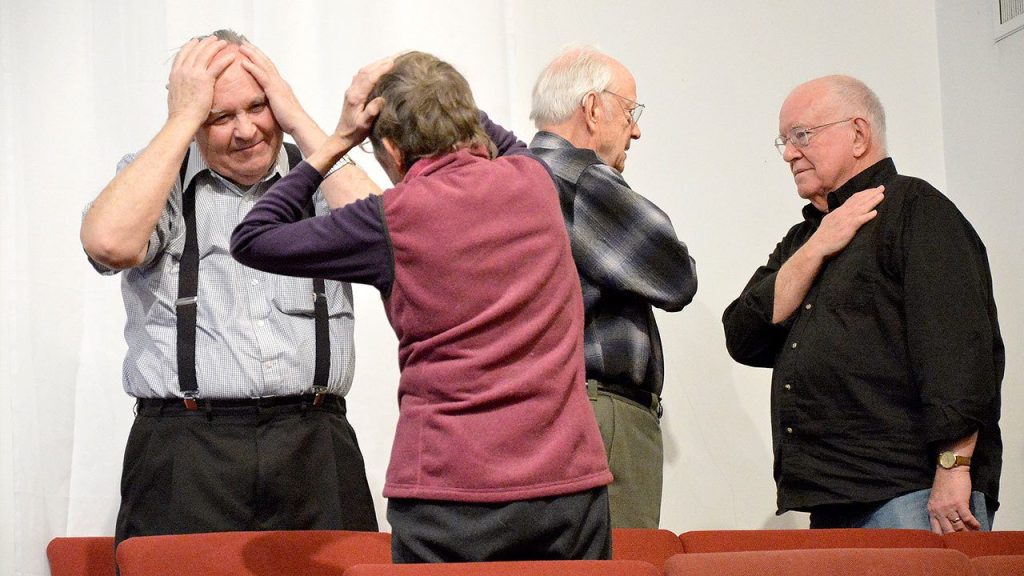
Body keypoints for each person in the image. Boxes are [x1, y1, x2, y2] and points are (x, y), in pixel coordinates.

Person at [231, 51, 613, 563]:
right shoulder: (534, 181)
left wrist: (337, 141)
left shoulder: (390, 219)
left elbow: (253, 238)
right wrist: (430, 79)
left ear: (388, 146)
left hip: (448, 491)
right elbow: (499, 139)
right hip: (569, 487)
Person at [80, 30, 378, 547]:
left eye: (259, 106)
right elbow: (108, 243)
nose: (246, 131)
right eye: (220, 117)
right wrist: (180, 122)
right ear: (193, 118)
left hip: (315, 447)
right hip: (185, 453)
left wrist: (303, 124)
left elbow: (395, 235)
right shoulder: (158, 177)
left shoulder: (320, 175)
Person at [722, 75, 1003, 534]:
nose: (790, 152)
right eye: (785, 141)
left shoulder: (918, 210)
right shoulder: (805, 239)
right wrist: (817, 247)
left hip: (911, 491)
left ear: (858, 134)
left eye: (802, 135)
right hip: (831, 499)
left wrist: (953, 470)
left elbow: (959, 351)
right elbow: (743, 335)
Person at [527, 46, 698, 528]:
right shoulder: (576, 176)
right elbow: (676, 276)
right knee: (620, 560)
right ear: (593, 107)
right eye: (630, 111)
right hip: (600, 415)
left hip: (541, 413)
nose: (636, 129)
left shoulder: (510, 178)